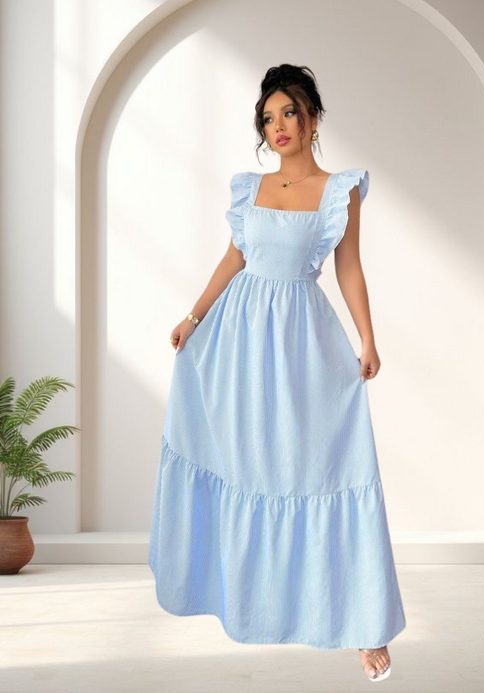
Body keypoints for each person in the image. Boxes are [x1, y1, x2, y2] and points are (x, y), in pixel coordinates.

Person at [149, 63, 406, 682]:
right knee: (242, 463)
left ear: (313, 117)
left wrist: (368, 338)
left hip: (301, 342)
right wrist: (193, 315)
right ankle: (231, 594)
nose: (278, 126)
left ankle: (365, 624)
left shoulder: (340, 191)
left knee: (324, 467)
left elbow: (349, 267)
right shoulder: (251, 188)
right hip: (236, 340)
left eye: (289, 112)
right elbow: (235, 257)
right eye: (268, 118)